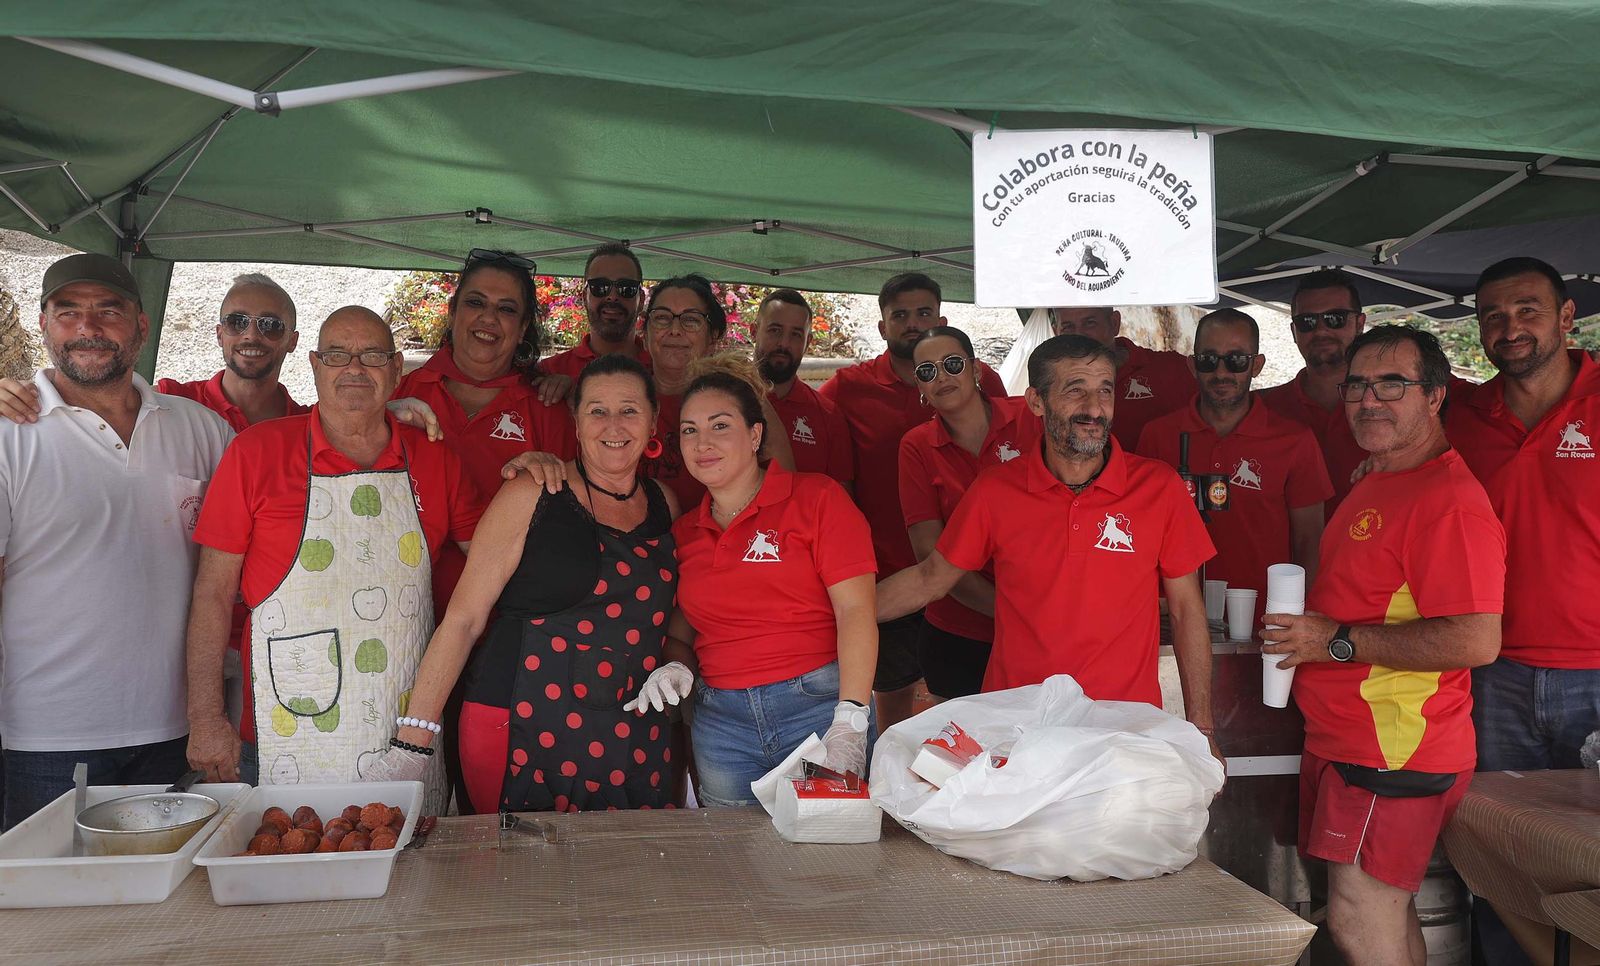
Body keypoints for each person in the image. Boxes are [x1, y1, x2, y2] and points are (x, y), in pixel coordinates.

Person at [1262, 324, 1504, 966]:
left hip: (1393, 745)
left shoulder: (1448, 502)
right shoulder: (1382, 476)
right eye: (1358, 385)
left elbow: (1476, 639)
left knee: (1358, 912)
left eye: (1392, 384)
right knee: (1386, 911)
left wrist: (1333, 641)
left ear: (1435, 396)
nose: (1370, 400)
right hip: (1352, 740)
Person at [184, 307, 480, 811]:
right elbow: (212, 595)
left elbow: (489, 571)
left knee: (410, 882)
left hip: (407, 730)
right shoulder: (256, 453)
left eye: (373, 356)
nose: (355, 369)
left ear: (397, 368)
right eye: (338, 355)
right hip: (285, 729)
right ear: (316, 365)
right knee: (288, 871)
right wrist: (207, 719)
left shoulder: (436, 458)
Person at [875, 335, 1221, 757]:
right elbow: (931, 579)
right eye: (1076, 390)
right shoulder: (996, 490)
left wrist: (1202, 729)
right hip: (1016, 729)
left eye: (1105, 391)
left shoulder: (1159, 487)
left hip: (1121, 730)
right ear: (1036, 401)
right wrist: (830, 613)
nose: (1094, 408)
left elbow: (1187, 610)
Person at [364, 354, 681, 812]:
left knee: (619, 878)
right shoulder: (532, 491)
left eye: (629, 410)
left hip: (630, 730)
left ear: (653, 422)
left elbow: (672, 620)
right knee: (509, 875)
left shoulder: (663, 505)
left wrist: (677, 665)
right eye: (597, 410)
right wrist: (412, 745)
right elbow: (464, 620)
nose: (614, 424)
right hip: (517, 721)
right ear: (575, 422)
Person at [0, 253, 233, 828]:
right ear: (43, 324)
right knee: (51, 914)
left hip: (174, 729)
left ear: (142, 324)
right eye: (68, 312)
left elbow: (286, 482)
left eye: (109, 310)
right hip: (46, 738)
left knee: (162, 911)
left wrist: (384, 414)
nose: (88, 327)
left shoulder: (201, 429)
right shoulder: (9, 434)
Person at [1447, 258, 1597, 963]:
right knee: (1499, 867)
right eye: (1493, 316)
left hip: (1596, 675)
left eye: (1527, 310)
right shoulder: (1465, 417)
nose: (1510, 327)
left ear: (1567, 317)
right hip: (1491, 674)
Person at [649, 355, 878, 805]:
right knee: (734, 867)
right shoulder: (684, 534)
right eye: (690, 430)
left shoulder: (817, 499)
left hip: (816, 712)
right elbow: (681, 633)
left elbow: (855, 611)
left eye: (720, 426)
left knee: (828, 864)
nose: (702, 442)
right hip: (722, 725)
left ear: (755, 434)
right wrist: (676, 666)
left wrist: (850, 720)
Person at [821, 273, 1005, 730]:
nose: (912, 323)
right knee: (898, 720)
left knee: (991, 730)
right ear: (882, 326)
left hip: (987, 590)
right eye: (899, 315)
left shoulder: (1007, 404)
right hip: (894, 575)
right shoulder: (847, 389)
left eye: (923, 312)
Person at [393, 249, 574, 604]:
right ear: (452, 311)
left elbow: (569, 524)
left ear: (523, 327)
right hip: (401, 612)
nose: (488, 318)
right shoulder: (405, 392)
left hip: (506, 619)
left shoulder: (547, 408)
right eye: (476, 302)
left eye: (506, 309)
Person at [1137, 308, 1331, 619]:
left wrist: (1301, 613)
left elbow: (1309, 540)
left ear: (1256, 365)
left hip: (1265, 621)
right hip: (1174, 616)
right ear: (1192, 365)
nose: (1221, 372)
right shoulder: (1158, 436)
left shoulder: (1294, 440)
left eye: (1236, 360)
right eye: (1209, 360)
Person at [897, 325, 1040, 700]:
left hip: (1044, 628)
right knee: (965, 756)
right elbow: (930, 553)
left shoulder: (1030, 418)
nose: (942, 376)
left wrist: (1036, 613)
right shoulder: (916, 447)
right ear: (920, 387)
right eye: (927, 371)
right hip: (960, 636)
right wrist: (1011, 612)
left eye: (953, 364)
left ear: (977, 371)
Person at [0, 272, 310, 430]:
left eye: (270, 325)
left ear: (293, 340)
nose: (251, 335)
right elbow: (93, 397)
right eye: (237, 321)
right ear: (219, 334)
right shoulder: (168, 401)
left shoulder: (309, 425)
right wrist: (22, 395)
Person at [639, 274, 793, 510]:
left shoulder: (739, 394)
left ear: (713, 336)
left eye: (691, 320)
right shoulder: (626, 394)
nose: (675, 330)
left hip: (718, 540)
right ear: (645, 332)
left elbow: (784, 477)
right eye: (662, 318)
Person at [1049, 305, 1195, 450]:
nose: (1079, 336)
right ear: (1056, 332)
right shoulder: (1048, 385)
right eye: (1068, 327)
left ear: (1114, 323)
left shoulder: (1172, 370)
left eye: (1090, 323)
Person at [754, 289, 853, 487]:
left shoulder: (828, 416)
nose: (784, 343)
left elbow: (840, 497)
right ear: (753, 331)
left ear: (808, 342)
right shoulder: (722, 399)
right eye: (775, 330)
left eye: (796, 335)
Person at [537, 242, 652, 401]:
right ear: (585, 297)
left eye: (626, 288)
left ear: (641, 300)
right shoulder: (549, 372)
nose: (612, 296)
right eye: (599, 287)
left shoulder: (661, 373)